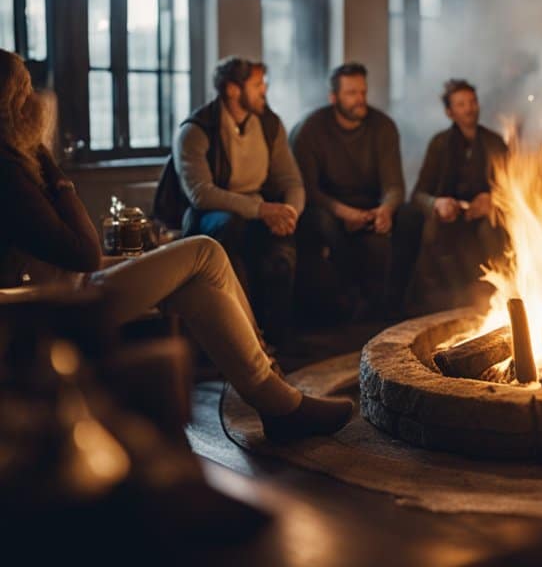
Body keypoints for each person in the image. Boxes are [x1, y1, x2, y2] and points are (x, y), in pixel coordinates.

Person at [0, 50, 351, 441]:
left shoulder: (16, 167)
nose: (39, 101)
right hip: (41, 311)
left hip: (66, 290)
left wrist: (286, 211)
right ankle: (272, 380)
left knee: (200, 286)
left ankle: (279, 405)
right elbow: (82, 251)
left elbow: (69, 254)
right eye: (27, 91)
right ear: (11, 105)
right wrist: (55, 171)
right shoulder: (10, 173)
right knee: (205, 248)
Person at [156, 57, 304, 345]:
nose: (265, 91)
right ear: (233, 90)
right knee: (230, 226)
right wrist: (262, 210)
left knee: (282, 253)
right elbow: (201, 193)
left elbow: (291, 180)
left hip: (259, 210)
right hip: (210, 214)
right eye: (257, 85)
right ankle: (240, 339)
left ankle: (278, 340)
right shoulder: (196, 130)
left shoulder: (269, 124)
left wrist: (290, 214)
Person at [290, 63, 423, 320]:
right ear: (334, 98)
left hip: (371, 207)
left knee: (410, 215)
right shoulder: (312, 129)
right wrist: (343, 212)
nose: (360, 99)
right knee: (320, 222)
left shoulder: (382, 126)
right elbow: (307, 188)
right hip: (328, 207)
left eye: (362, 92)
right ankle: (343, 306)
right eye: (351, 93)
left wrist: (386, 209)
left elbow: (394, 185)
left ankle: (392, 306)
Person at [411, 79, 508, 307]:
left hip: (486, 218)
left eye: (472, 102)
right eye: (461, 104)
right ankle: (447, 301)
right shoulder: (440, 144)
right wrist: (437, 203)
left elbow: (515, 190)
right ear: (449, 111)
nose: (469, 109)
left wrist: (494, 200)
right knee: (433, 232)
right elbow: (418, 194)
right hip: (450, 217)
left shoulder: (494, 143)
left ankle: (494, 294)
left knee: (492, 228)